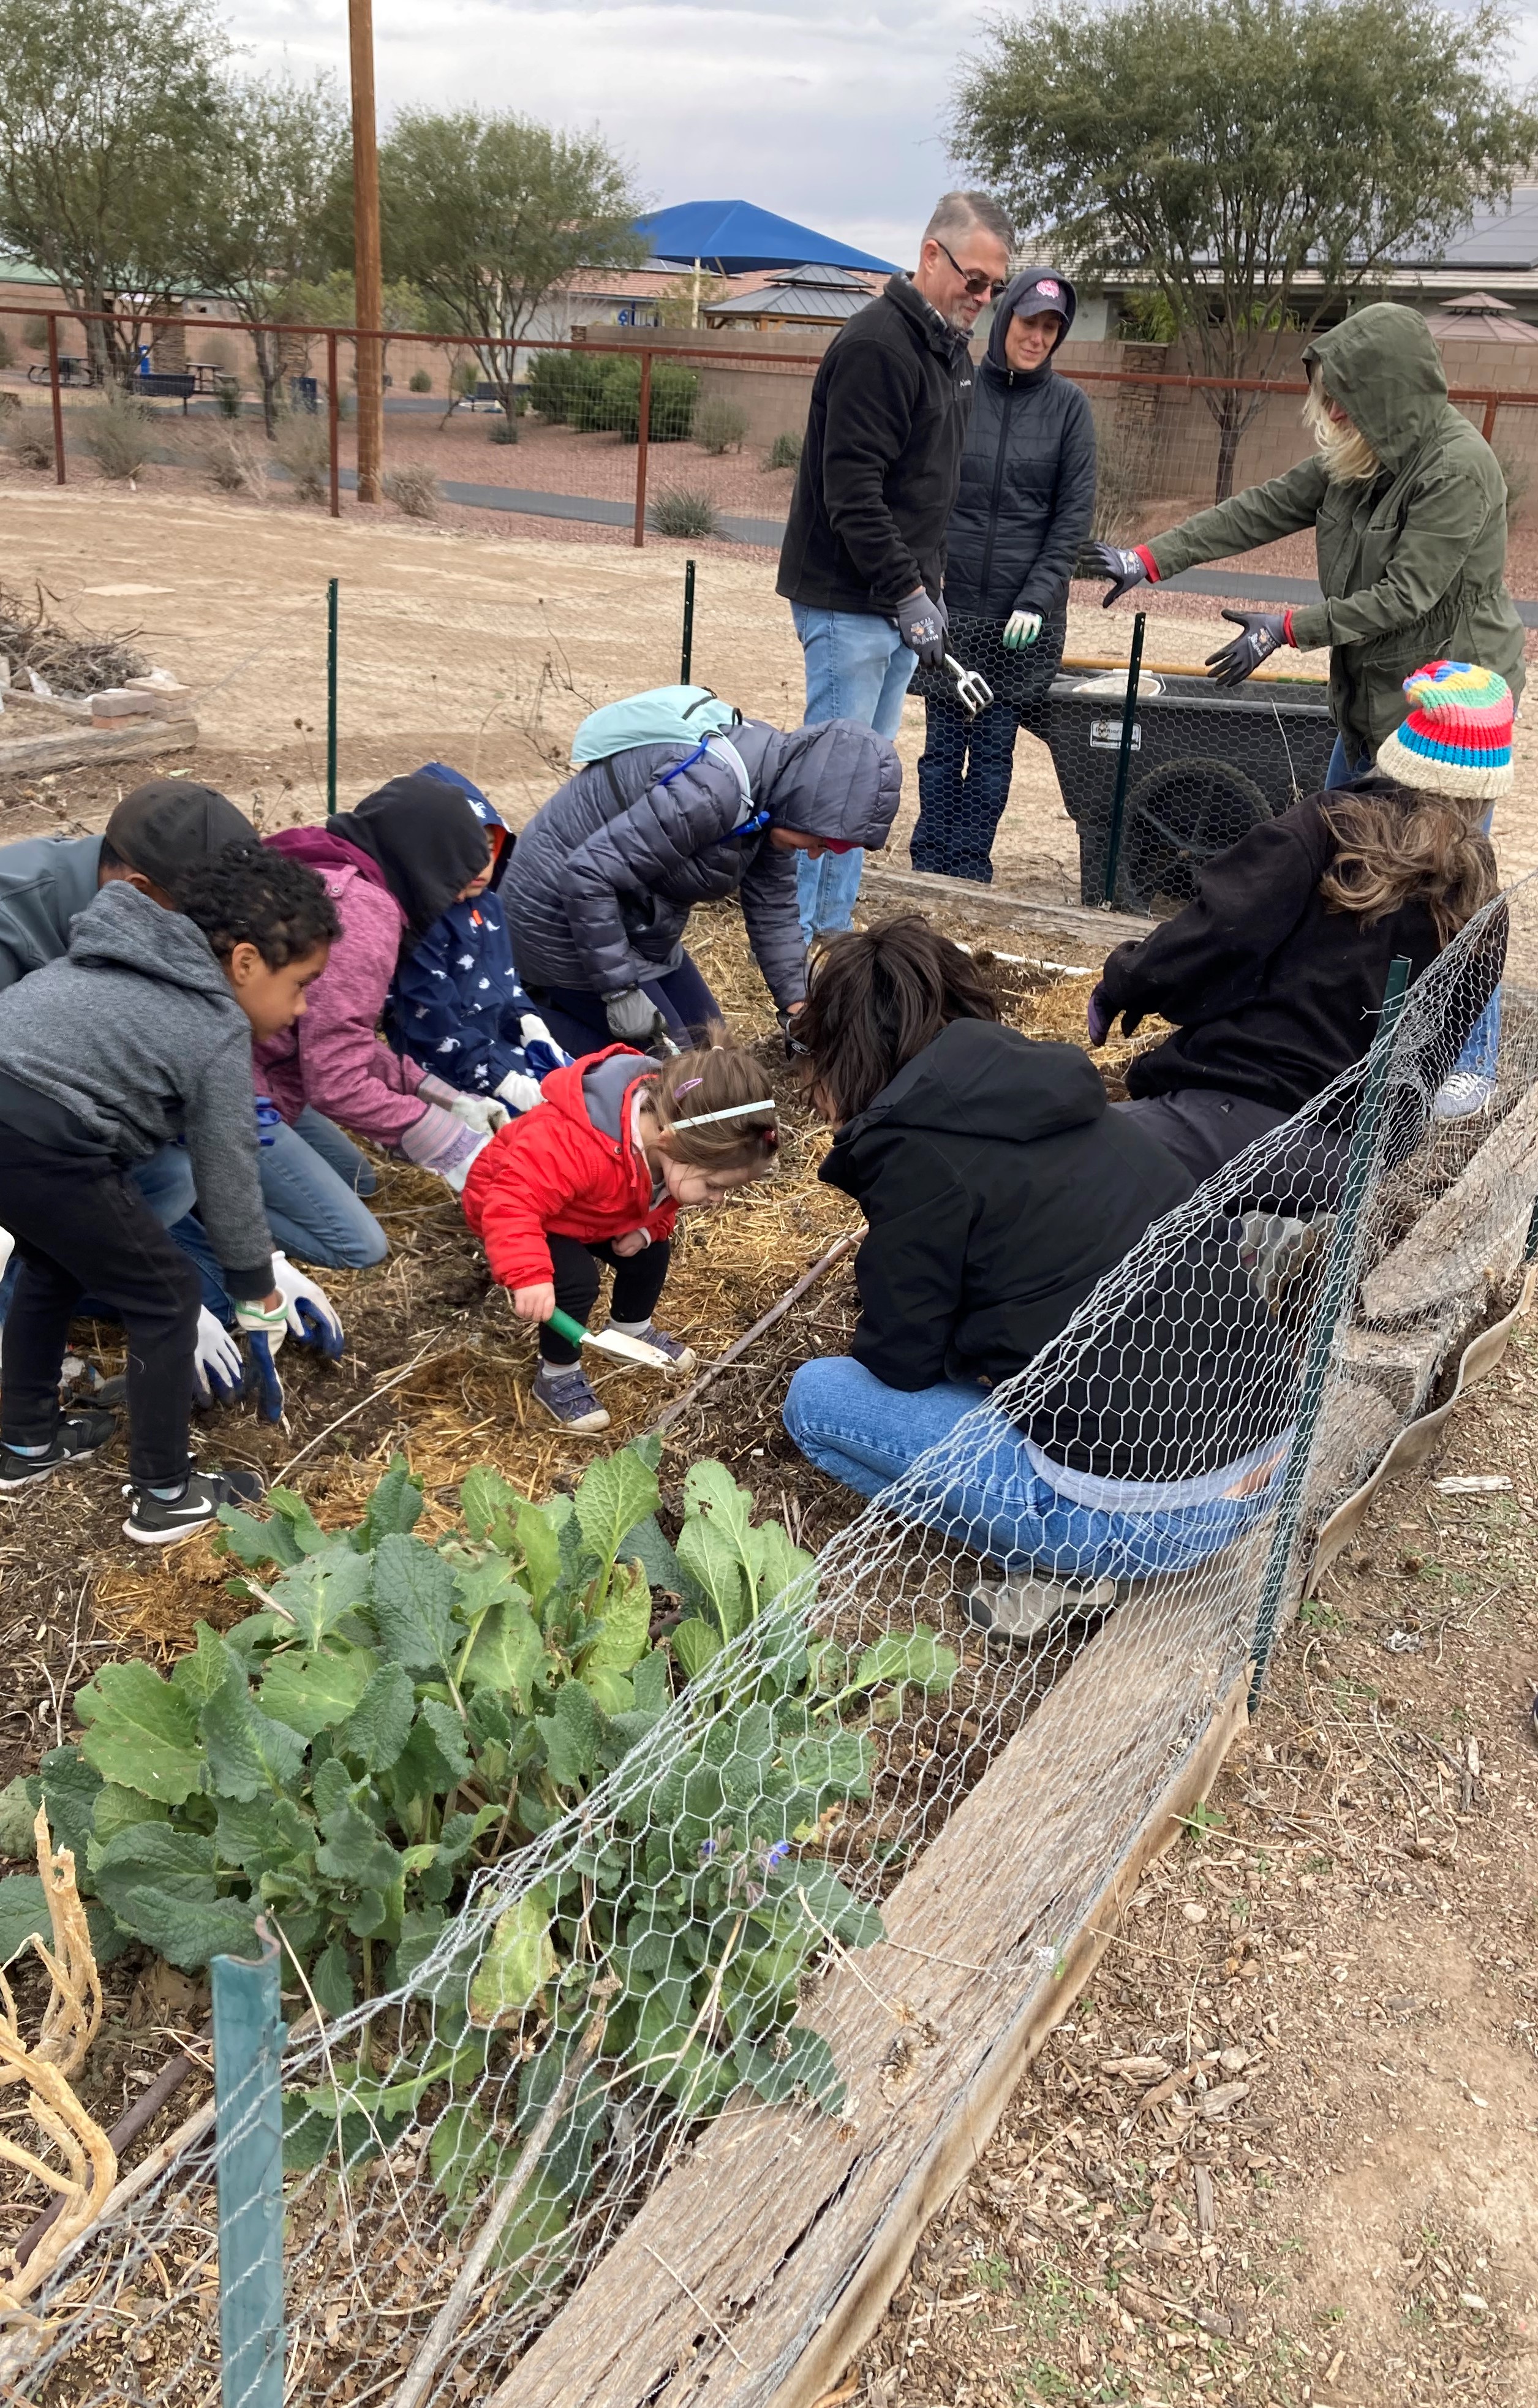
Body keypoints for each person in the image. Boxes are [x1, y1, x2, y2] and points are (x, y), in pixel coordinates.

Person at [780, 919, 1299, 1631]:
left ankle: (1076, 1561)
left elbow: (899, 1361)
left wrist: (948, 1318)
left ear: (844, 1052)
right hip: (1271, 1441)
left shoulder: (914, 1153)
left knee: (817, 1401)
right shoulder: (1059, 1094)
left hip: (1168, 1519)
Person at [0, 844, 339, 1542]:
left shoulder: (111, 958)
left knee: (51, 1264)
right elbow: (227, 1169)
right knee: (166, 1296)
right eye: (302, 984)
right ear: (244, 963)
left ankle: (27, 1440)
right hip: (48, 1140)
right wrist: (254, 1281)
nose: (303, 1006)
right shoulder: (211, 1025)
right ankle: (164, 1492)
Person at [1090, 659, 1506, 1183]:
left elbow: (1219, 930)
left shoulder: (1325, 825)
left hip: (1234, 1112)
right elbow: (1437, 1047)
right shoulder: (1482, 897)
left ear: (1403, 747)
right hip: (1349, 1160)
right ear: (1487, 785)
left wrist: (1125, 982)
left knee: (1062, 1162)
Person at [1089, 304, 1525, 780]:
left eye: (1348, 399)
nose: (1334, 413)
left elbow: (1404, 598)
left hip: (1448, 710)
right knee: (1340, 841)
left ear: (1388, 397)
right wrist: (1148, 558)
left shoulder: (1455, 471)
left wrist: (1286, 628)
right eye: (1330, 397)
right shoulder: (1364, 456)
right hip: (1372, 695)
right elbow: (1261, 508)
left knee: (1420, 853)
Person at [776, 190, 1014, 942]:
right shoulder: (878, 345)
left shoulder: (950, 352)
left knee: (866, 783)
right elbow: (852, 493)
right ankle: (795, 932)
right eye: (973, 280)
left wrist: (928, 593)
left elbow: (929, 494)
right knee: (830, 782)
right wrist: (909, 592)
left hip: (898, 601)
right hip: (849, 600)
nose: (982, 299)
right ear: (930, 256)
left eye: (994, 288)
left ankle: (833, 926)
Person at [501, 692, 902, 1057]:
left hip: (633, 923)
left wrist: (799, 1008)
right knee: (672, 1072)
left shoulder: (770, 800)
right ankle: (518, 1023)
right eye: (820, 841)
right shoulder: (710, 791)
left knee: (711, 1048)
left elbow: (773, 910)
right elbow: (587, 875)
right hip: (554, 917)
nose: (815, 854)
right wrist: (619, 991)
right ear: (811, 803)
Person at [462, 1040, 779, 1433]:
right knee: (575, 1280)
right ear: (672, 1142)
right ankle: (557, 1373)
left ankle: (629, 1329)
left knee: (652, 1252)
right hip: (519, 1211)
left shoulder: (669, 1150)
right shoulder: (575, 1142)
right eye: (714, 1185)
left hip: (588, 1209)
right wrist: (528, 1273)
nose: (717, 1200)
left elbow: (664, 1197)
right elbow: (511, 1201)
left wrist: (648, 1229)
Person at [259, 774, 516, 1233]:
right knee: (354, 1238)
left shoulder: (328, 859)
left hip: (266, 1061)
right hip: (242, 1086)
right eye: (454, 877)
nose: (459, 895)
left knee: (357, 1178)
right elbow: (336, 1081)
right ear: (426, 858)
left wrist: (444, 1097)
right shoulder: (362, 914)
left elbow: (337, 1035)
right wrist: (451, 1142)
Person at [910, 270, 1096, 882]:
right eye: (1029, 322)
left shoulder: (1070, 410)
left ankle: (969, 869)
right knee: (941, 748)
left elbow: (1070, 520)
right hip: (951, 607)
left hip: (1018, 619)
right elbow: (927, 490)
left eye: (1051, 328)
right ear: (1005, 318)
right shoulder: (959, 385)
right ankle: (929, 863)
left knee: (992, 751)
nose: (1037, 336)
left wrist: (1038, 600)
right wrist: (927, 590)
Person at [383, 762, 568, 1111]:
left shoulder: (491, 907)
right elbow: (433, 1022)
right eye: (464, 849)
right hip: (448, 1062)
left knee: (575, 1090)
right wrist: (503, 1079)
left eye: (488, 847)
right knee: (542, 1122)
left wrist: (531, 1025)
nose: (480, 863)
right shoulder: (420, 922)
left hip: (498, 1043)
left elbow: (508, 983)